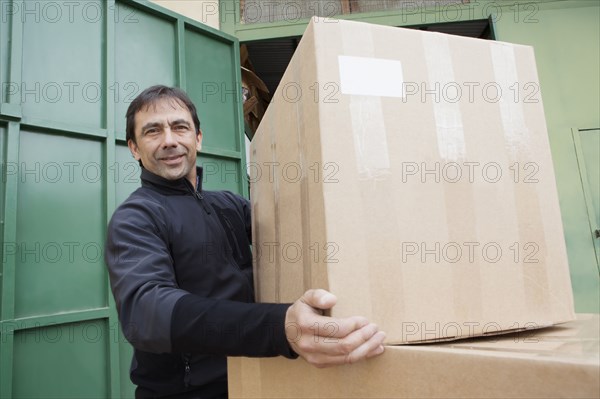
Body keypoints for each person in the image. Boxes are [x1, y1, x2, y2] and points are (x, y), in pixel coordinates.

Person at [105, 85, 386, 399]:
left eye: (179, 127)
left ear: (197, 138)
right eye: (153, 131)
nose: (169, 140)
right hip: (188, 392)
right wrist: (280, 327)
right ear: (133, 147)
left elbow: (299, 230)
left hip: (258, 380)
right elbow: (147, 312)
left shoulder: (229, 204)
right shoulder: (136, 216)